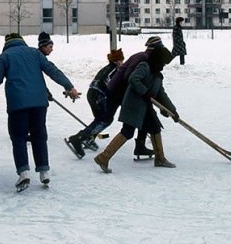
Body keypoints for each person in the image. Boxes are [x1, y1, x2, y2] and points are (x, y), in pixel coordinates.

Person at [0, 33, 81, 192]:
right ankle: (44, 171)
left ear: (7, 43)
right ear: (22, 41)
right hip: (39, 103)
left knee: (18, 137)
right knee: (39, 135)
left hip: (17, 103)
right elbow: (53, 71)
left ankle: (24, 172)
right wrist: (69, 86)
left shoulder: (4, 56)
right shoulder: (35, 53)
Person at [94, 45, 178, 173]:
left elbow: (161, 94)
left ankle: (160, 158)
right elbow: (133, 78)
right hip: (134, 105)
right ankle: (104, 157)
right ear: (157, 60)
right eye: (163, 63)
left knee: (155, 127)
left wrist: (172, 111)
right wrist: (144, 92)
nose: (164, 66)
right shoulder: (144, 66)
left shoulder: (157, 76)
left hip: (145, 107)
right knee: (127, 132)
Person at [105, 36, 165, 159]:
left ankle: (141, 148)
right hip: (123, 92)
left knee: (147, 121)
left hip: (135, 95)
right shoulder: (143, 59)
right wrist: (143, 92)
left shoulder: (151, 63)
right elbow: (129, 77)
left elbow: (158, 91)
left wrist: (169, 109)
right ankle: (104, 157)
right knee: (130, 127)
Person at [65, 49, 124, 159]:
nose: (122, 62)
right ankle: (78, 138)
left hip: (92, 93)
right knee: (105, 120)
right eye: (120, 60)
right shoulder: (114, 70)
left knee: (99, 119)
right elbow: (111, 86)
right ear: (116, 61)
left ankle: (89, 138)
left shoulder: (108, 68)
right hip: (99, 95)